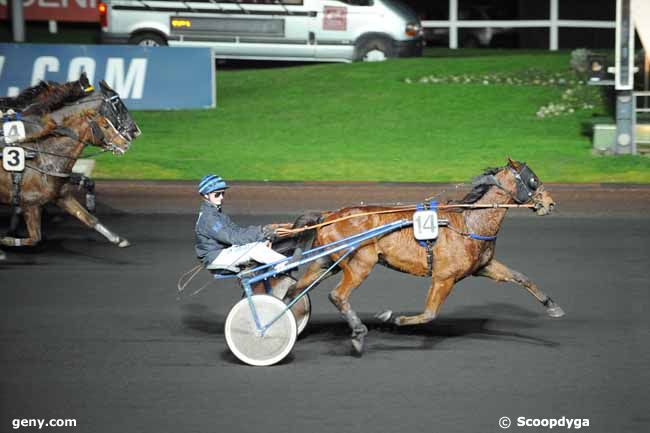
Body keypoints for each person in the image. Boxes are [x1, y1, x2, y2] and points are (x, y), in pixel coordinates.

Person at [194, 174, 288, 273]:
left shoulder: (217, 214)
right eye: (217, 194)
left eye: (223, 193)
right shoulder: (209, 218)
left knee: (261, 243)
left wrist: (261, 232)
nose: (221, 197)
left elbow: (238, 231)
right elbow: (233, 237)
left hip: (222, 252)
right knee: (256, 249)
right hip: (216, 257)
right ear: (206, 195)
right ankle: (283, 264)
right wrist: (261, 234)